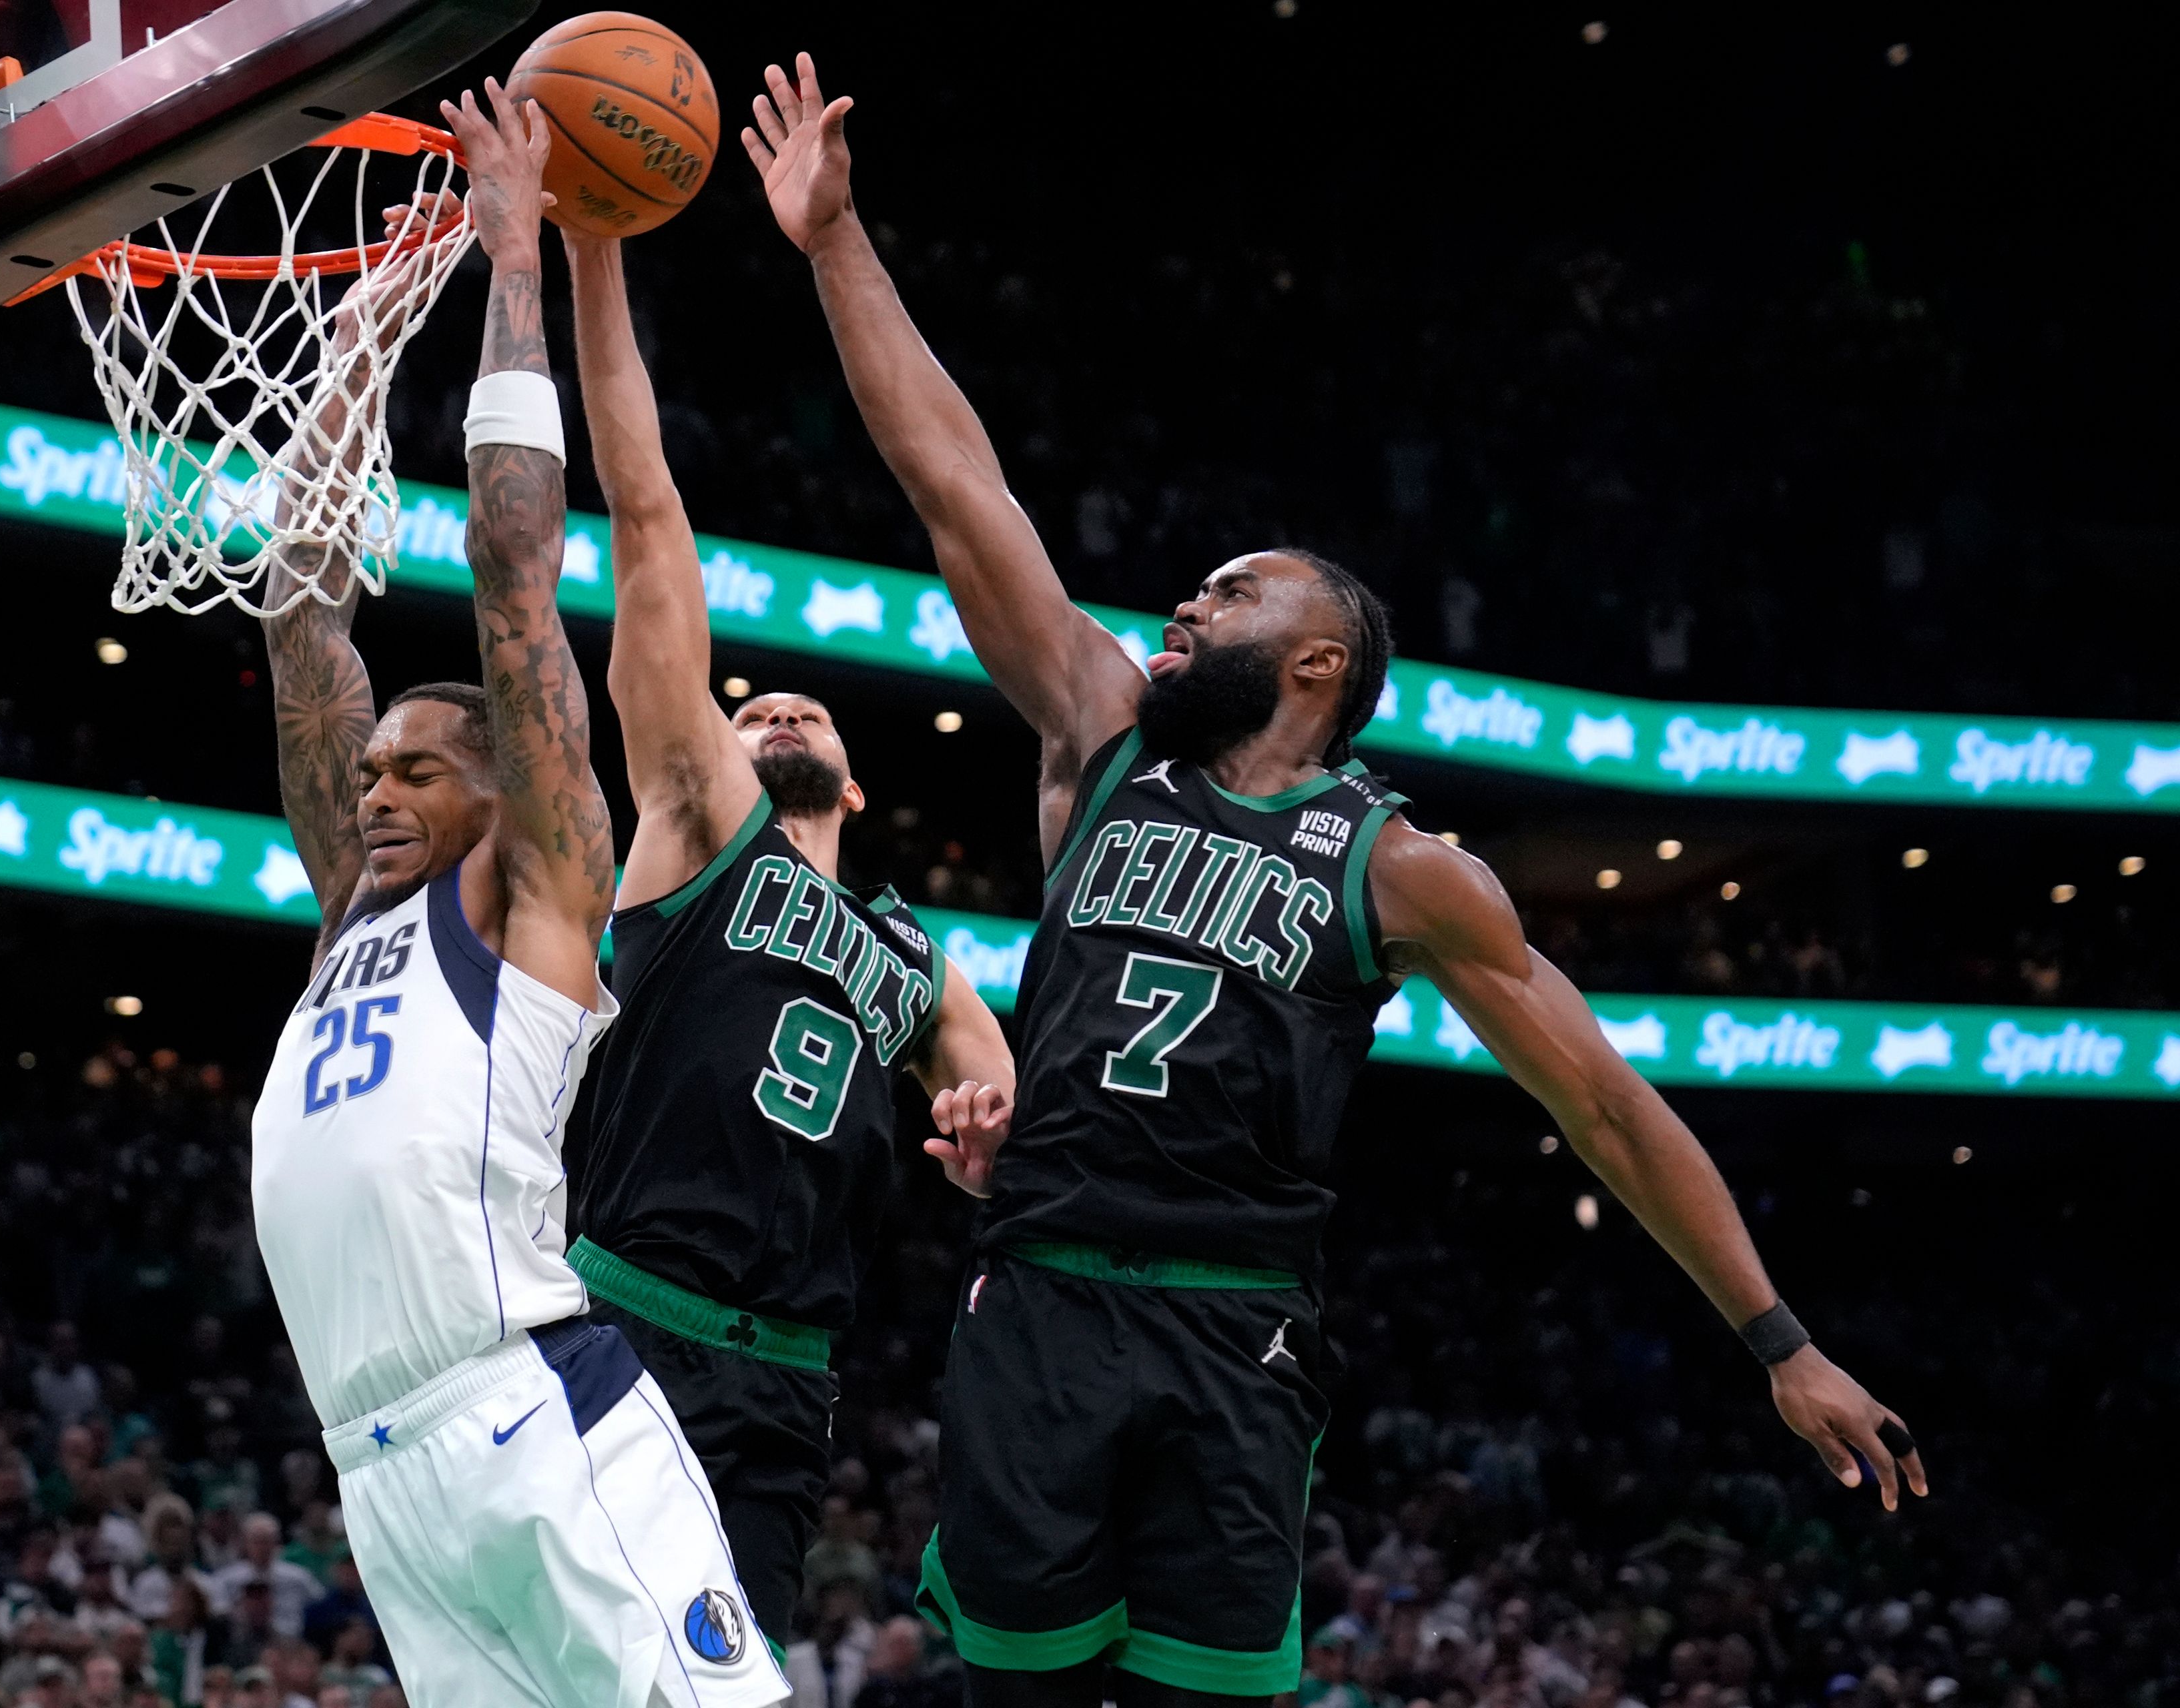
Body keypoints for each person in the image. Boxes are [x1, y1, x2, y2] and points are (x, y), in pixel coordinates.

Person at [746, 53, 1930, 1708]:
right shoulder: (1101, 735)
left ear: (1316, 656)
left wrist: (1780, 1340)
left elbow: (1603, 1102)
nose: (1179, 604)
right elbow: (959, 486)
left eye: (1224, 593)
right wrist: (833, 244)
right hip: (1046, 1295)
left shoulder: (1403, 867)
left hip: (1240, 1328)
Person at [245, 79, 782, 1708]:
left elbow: (509, 571)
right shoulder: (360, 910)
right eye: (373, 769)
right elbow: (299, 623)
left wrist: (511, 263)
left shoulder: (536, 871)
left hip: (532, 1408)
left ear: (500, 780)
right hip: (381, 1469)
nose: (376, 786)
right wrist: (348, 360)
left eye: (415, 767)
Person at [559, 226, 1016, 1660]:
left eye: (805, 711)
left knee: (719, 1680)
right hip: (628, 1317)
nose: (775, 715)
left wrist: (988, 1108)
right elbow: (644, 519)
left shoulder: (907, 945)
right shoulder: (702, 827)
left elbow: (984, 1057)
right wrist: (591, 256)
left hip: (791, 1379)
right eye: (752, 710)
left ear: (859, 785)